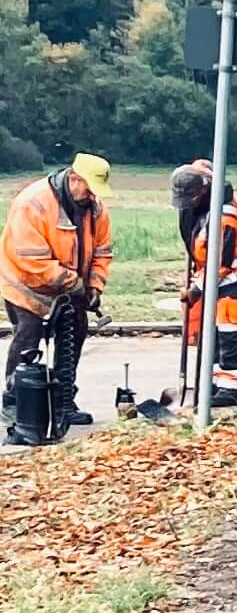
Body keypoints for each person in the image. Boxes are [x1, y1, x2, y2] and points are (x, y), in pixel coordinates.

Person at [2, 153, 111, 445]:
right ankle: (17, 403)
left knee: (73, 335)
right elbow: (30, 259)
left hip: (69, 289)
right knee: (29, 338)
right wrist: (72, 282)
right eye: (88, 189)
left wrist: (95, 286)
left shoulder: (95, 209)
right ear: (74, 179)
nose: (91, 197)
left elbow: (102, 251)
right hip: (27, 287)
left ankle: (63, 402)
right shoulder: (34, 203)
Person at [184, 182, 237, 411]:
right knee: (215, 331)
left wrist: (196, 288)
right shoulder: (206, 206)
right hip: (224, 274)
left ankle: (230, 388)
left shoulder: (224, 216)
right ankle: (215, 383)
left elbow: (220, 261)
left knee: (230, 332)